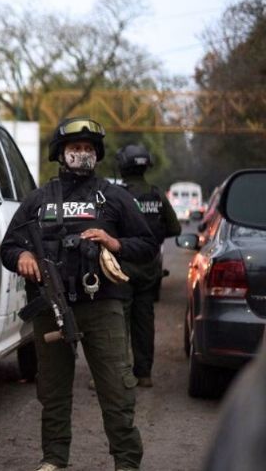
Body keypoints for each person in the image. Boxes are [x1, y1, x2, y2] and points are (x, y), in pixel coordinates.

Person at [0, 117, 158, 471]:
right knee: (53, 390)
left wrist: (114, 242)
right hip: (49, 308)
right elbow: (8, 246)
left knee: (117, 389)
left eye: (88, 149)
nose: (82, 154)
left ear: (97, 154)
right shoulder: (38, 200)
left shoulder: (114, 197)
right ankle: (54, 458)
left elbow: (148, 244)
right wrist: (23, 256)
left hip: (102, 306)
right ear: (61, 153)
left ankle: (127, 462)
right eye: (75, 148)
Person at [115, 144, 181, 388]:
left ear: (122, 166)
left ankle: (117, 374)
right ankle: (144, 374)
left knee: (117, 323)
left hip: (120, 269)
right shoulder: (156, 195)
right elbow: (175, 228)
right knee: (144, 323)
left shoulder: (116, 194)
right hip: (148, 271)